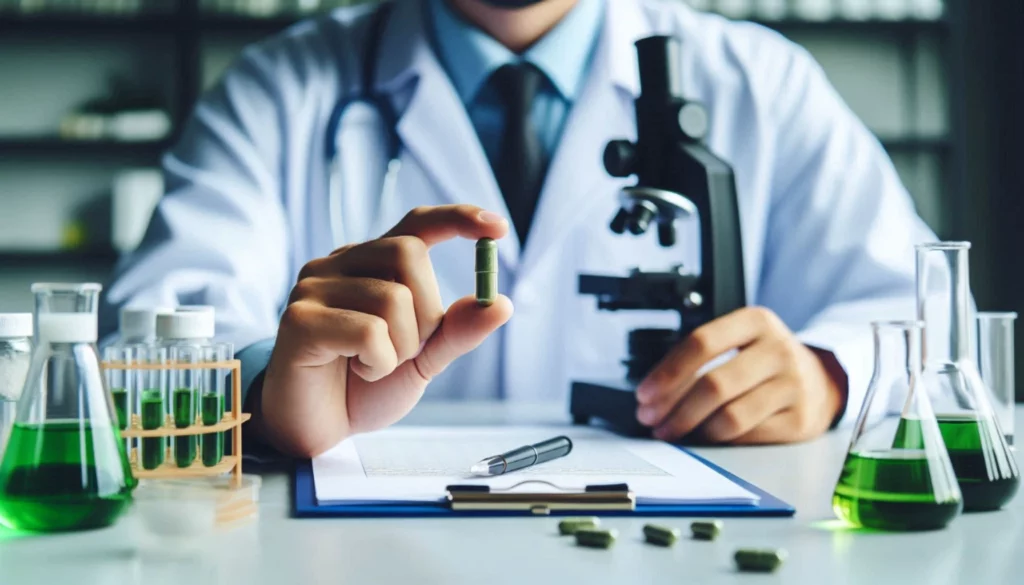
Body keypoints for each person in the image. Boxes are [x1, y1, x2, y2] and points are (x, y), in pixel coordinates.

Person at [101, 0, 936, 457]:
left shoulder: (764, 82)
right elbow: (148, 332)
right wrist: (267, 392)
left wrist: (826, 375)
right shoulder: (279, 88)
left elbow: (914, 312)